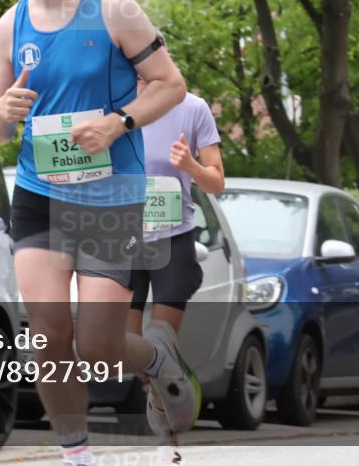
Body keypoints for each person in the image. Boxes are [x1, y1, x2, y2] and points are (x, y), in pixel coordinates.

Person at [0, 0, 194, 466]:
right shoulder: (10, 25)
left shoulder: (114, 8)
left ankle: (154, 359)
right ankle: (77, 456)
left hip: (110, 195)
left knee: (98, 347)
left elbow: (170, 84)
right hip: (40, 194)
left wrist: (117, 123)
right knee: (49, 336)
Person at [126, 78, 225, 461]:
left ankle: (167, 438)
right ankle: (165, 388)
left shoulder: (192, 108)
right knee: (126, 347)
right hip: (124, 238)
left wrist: (191, 166)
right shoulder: (112, 105)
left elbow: (216, 182)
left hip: (173, 238)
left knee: (161, 339)